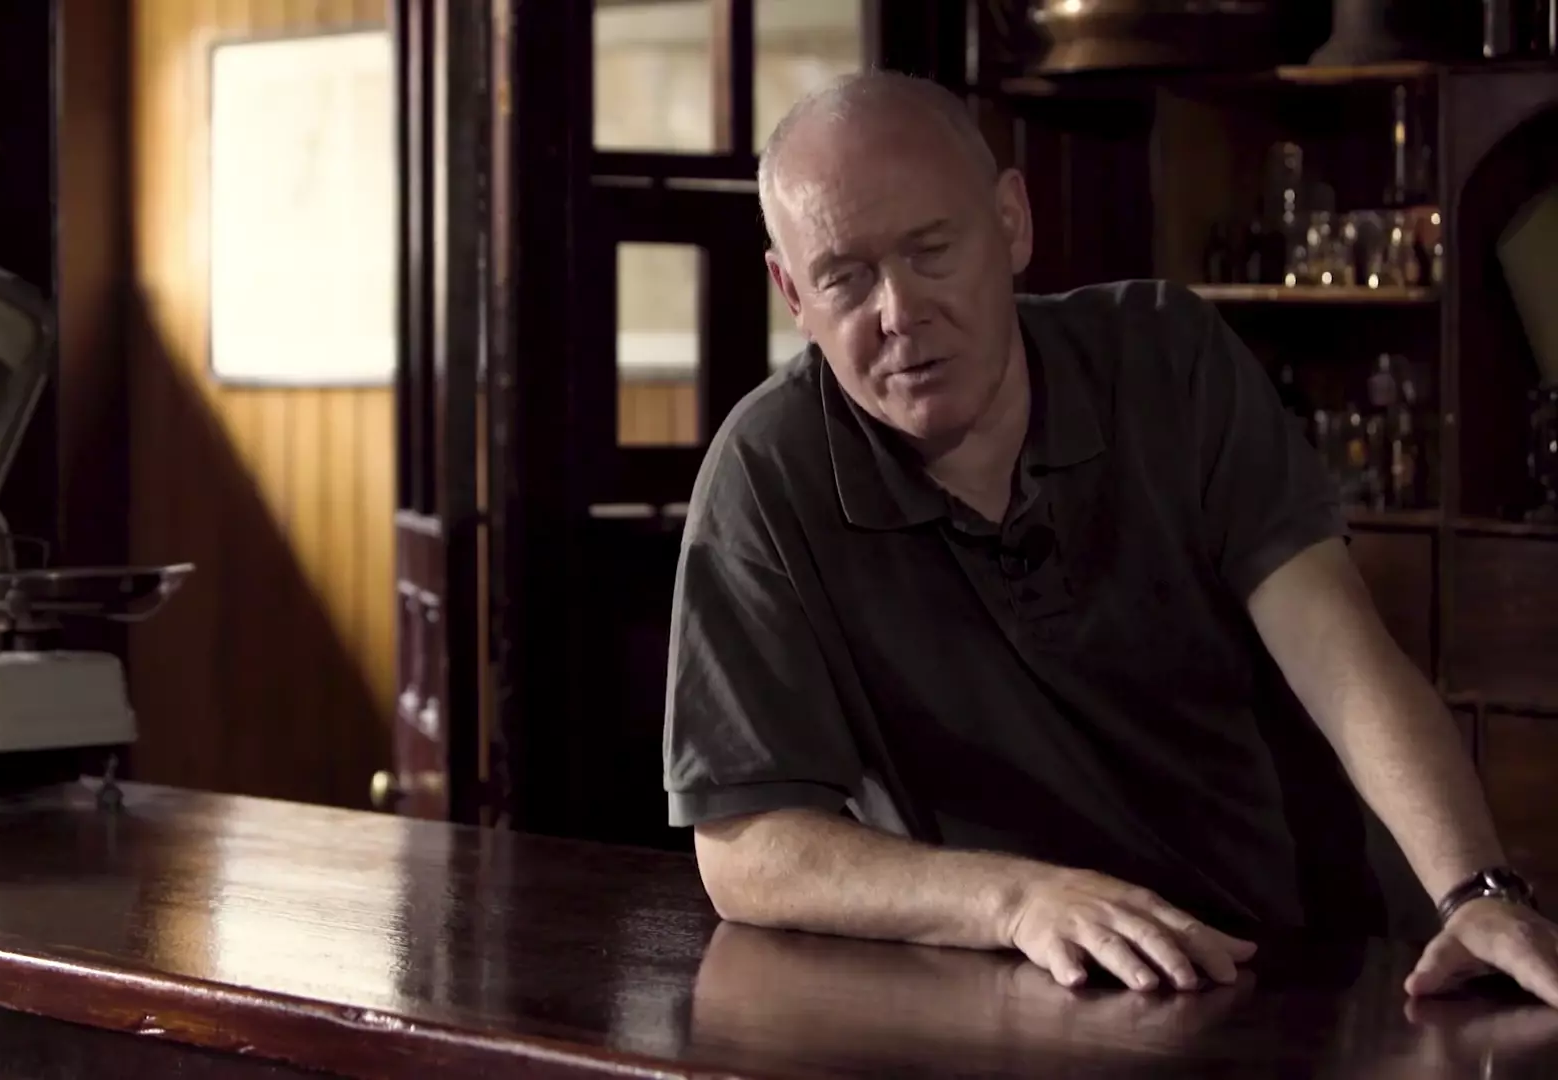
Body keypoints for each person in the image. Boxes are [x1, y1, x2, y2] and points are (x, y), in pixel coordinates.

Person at [662, 70, 1558, 1004]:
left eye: (932, 251)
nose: (899, 312)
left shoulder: (1166, 359)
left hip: (1324, 960)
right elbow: (747, 850)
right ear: (790, 292)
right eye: (845, 278)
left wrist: (1476, 891)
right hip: (1052, 993)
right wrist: (1012, 900)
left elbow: (1341, 655)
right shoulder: (767, 473)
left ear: (1011, 222)